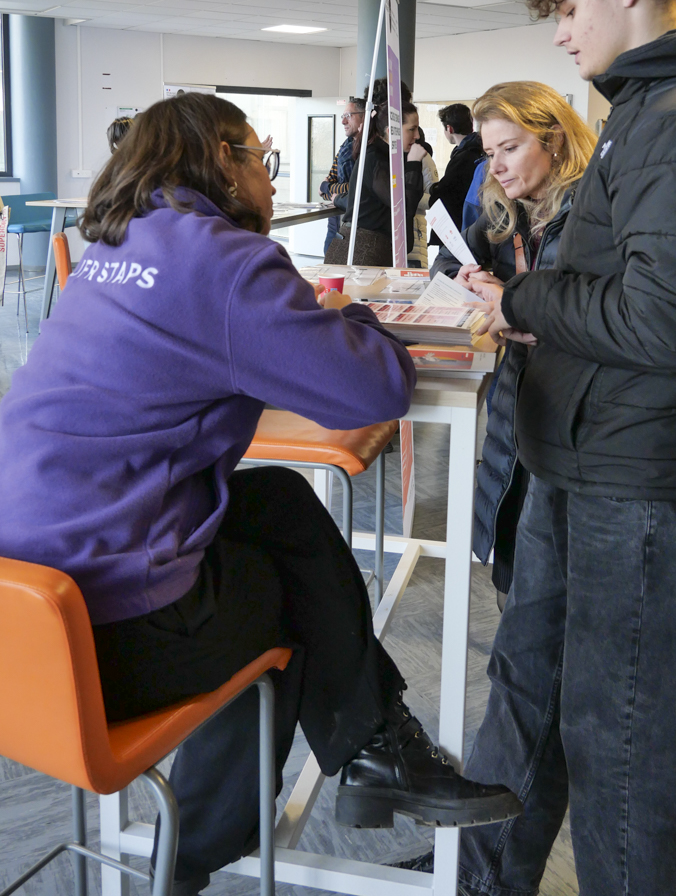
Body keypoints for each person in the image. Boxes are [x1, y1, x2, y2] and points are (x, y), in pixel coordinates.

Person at [0, 92, 521, 896]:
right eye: (260, 159)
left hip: (23, 605)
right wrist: (356, 323)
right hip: (103, 638)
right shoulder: (225, 262)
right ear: (221, 160)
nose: (272, 181)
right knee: (292, 599)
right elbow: (371, 389)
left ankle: (373, 754)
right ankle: (217, 845)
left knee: (275, 500)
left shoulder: (114, 243)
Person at [428, 0, 676, 895]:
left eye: (569, 9)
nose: (563, 34)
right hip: (574, 460)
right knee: (530, 693)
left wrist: (530, 298)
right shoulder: (638, 110)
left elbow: (658, 317)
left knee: (615, 737)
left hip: (628, 473)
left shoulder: (661, 118)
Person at [432, 83, 596, 611]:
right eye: (489, 153)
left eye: (511, 148)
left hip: (580, 429)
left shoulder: (597, 218)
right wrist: (465, 282)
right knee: (514, 586)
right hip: (516, 417)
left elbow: (612, 321)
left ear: (555, 140)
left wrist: (517, 307)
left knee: (564, 601)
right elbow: (446, 269)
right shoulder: (507, 214)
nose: (497, 167)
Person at [326, 79, 426, 266]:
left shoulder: (385, 156)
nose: (417, 136)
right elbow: (404, 207)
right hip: (362, 250)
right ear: (391, 131)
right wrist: (413, 164)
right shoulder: (376, 158)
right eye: (412, 130)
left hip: (370, 248)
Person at [428, 104, 484, 238]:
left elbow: (445, 193)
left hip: (457, 231)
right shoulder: (479, 149)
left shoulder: (464, 157)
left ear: (449, 128)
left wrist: (433, 189)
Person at [320, 99, 365, 255]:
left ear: (363, 117)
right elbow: (325, 190)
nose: (343, 121)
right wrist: (327, 188)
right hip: (335, 221)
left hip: (355, 225)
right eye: (342, 116)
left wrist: (327, 187)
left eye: (348, 115)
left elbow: (356, 188)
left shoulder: (369, 150)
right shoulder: (345, 146)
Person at [408, 125, 439, 269]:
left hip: (416, 225)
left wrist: (407, 196)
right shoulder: (394, 158)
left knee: (416, 277)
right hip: (394, 228)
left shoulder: (424, 159)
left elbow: (433, 199)